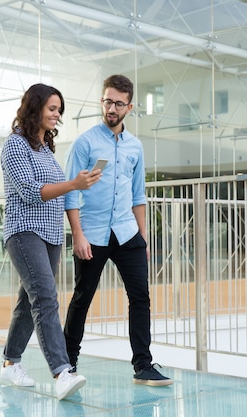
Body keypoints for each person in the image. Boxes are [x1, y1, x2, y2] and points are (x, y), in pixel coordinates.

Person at [63, 74, 173, 386]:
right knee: (82, 298)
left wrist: (144, 236)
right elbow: (71, 194)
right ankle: (66, 364)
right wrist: (78, 236)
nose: (112, 108)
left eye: (119, 103)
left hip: (127, 233)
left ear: (129, 106)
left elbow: (139, 195)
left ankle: (143, 365)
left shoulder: (135, 147)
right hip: (93, 233)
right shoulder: (85, 143)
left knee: (141, 297)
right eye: (108, 101)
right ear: (102, 101)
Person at [0, 83, 102, 400]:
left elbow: (58, 194)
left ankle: (9, 363)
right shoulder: (14, 145)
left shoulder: (45, 149)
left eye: (59, 110)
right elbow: (30, 192)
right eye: (52, 108)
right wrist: (73, 183)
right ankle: (61, 371)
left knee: (28, 304)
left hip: (50, 235)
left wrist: (78, 185)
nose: (57, 115)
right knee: (45, 299)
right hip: (23, 230)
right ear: (35, 107)